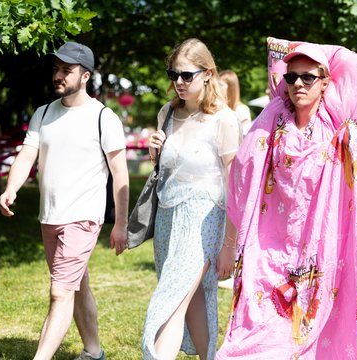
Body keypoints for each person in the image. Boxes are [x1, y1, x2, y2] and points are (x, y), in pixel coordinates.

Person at [216, 39, 357, 359]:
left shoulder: (338, 126)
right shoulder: (274, 119)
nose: (298, 84)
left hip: (318, 250)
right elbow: (245, 169)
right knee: (258, 325)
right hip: (270, 245)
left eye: (308, 77)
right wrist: (232, 243)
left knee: (309, 327)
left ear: (326, 82)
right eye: (291, 77)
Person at [0, 42, 129, 360]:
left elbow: (120, 173)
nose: (58, 75)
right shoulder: (43, 113)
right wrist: (11, 188)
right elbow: (27, 154)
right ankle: (94, 351)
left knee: (59, 292)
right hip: (50, 216)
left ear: (85, 75)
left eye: (66, 70)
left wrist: (122, 224)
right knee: (76, 285)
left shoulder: (103, 117)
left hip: (82, 217)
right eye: (56, 69)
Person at [141, 38, 241, 360]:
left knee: (169, 303)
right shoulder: (167, 113)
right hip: (170, 217)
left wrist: (229, 244)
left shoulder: (224, 119)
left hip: (204, 222)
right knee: (192, 298)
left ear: (208, 73)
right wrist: (155, 153)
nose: (178, 82)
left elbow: (235, 186)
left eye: (187, 75)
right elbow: (166, 171)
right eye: (173, 75)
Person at [219, 70, 252, 135]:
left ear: (230, 87)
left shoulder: (241, 110)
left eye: (220, 85)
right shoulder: (220, 108)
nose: (216, 88)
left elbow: (245, 136)